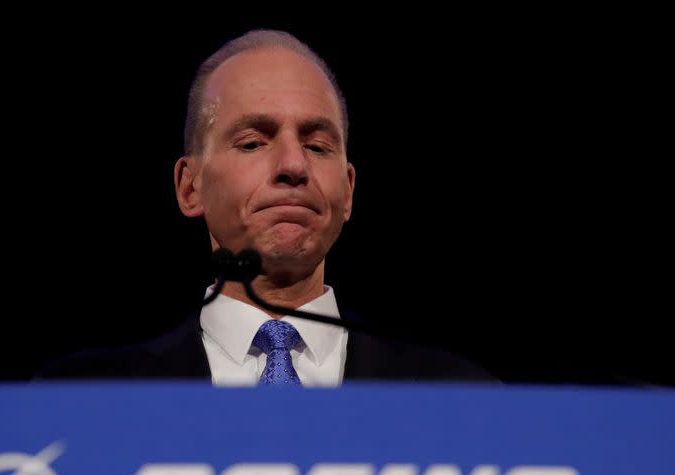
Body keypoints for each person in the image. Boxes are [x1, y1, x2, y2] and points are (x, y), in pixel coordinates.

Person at [40, 29, 495, 385]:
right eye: (254, 142)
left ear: (349, 189)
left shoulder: (459, 398)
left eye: (318, 146)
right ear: (189, 187)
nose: (294, 165)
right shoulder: (85, 398)